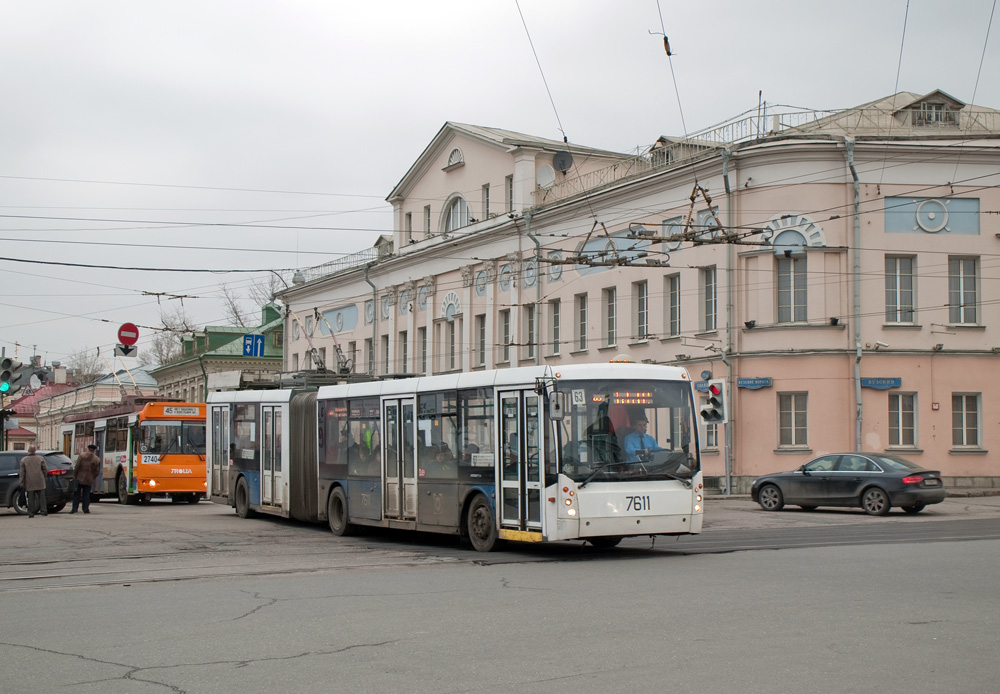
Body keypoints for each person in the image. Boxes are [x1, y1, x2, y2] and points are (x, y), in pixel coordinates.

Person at [71, 444, 101, 514]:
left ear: (88, 448)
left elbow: (77, 466)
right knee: (86, 495)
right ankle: (85, 509)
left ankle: (74, 509)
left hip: (79, 478)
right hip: (89, 479)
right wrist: (93, 478)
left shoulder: (82, 455)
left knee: (76, 494)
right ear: (94, 450)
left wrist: (74, 475)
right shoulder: (96, 459)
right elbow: (97, 471)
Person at [19, 445, 48, 518]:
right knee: (42, 497)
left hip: (29, 481)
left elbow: (22, 473)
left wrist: (21, 482)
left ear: (28, 450)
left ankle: (31, 512)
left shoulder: (24, 460)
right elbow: (45, 469)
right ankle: (43, 511)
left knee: (31, 498)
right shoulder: (40, 458)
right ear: (35, 451)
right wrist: (44, 476)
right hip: (40, 480)